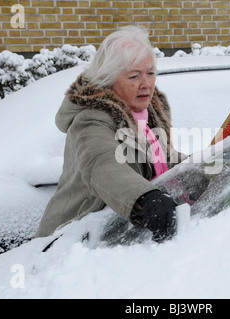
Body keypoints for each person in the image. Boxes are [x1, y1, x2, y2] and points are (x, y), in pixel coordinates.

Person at [35, 25, 186, 242]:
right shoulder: (92, 119)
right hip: (70, 242)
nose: (146, 84)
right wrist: (145, 196)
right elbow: (103, 164)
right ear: (109, 78)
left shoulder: (143, 114)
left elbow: (160, 159)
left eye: (150, 73)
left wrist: (213, 159)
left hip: (111, 232)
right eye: (134, 76)